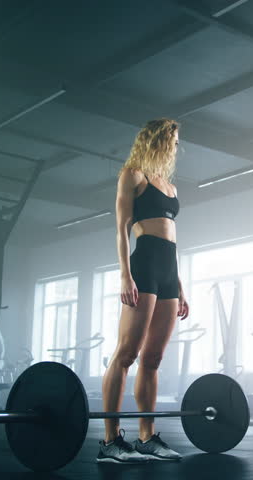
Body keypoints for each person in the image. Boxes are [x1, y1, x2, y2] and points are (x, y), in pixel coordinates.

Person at [97, 118, 190, 464]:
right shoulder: (133, 176)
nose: (177, 147)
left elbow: (172, 238)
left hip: (168, 270)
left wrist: (179, 285)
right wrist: (125, 275)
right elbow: (121, 228)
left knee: (153, 359)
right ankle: (110, 441)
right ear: (159, 139)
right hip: (144, 266)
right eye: (174, 140)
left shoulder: (170, 187)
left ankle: (147, 438)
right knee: (126, 354)